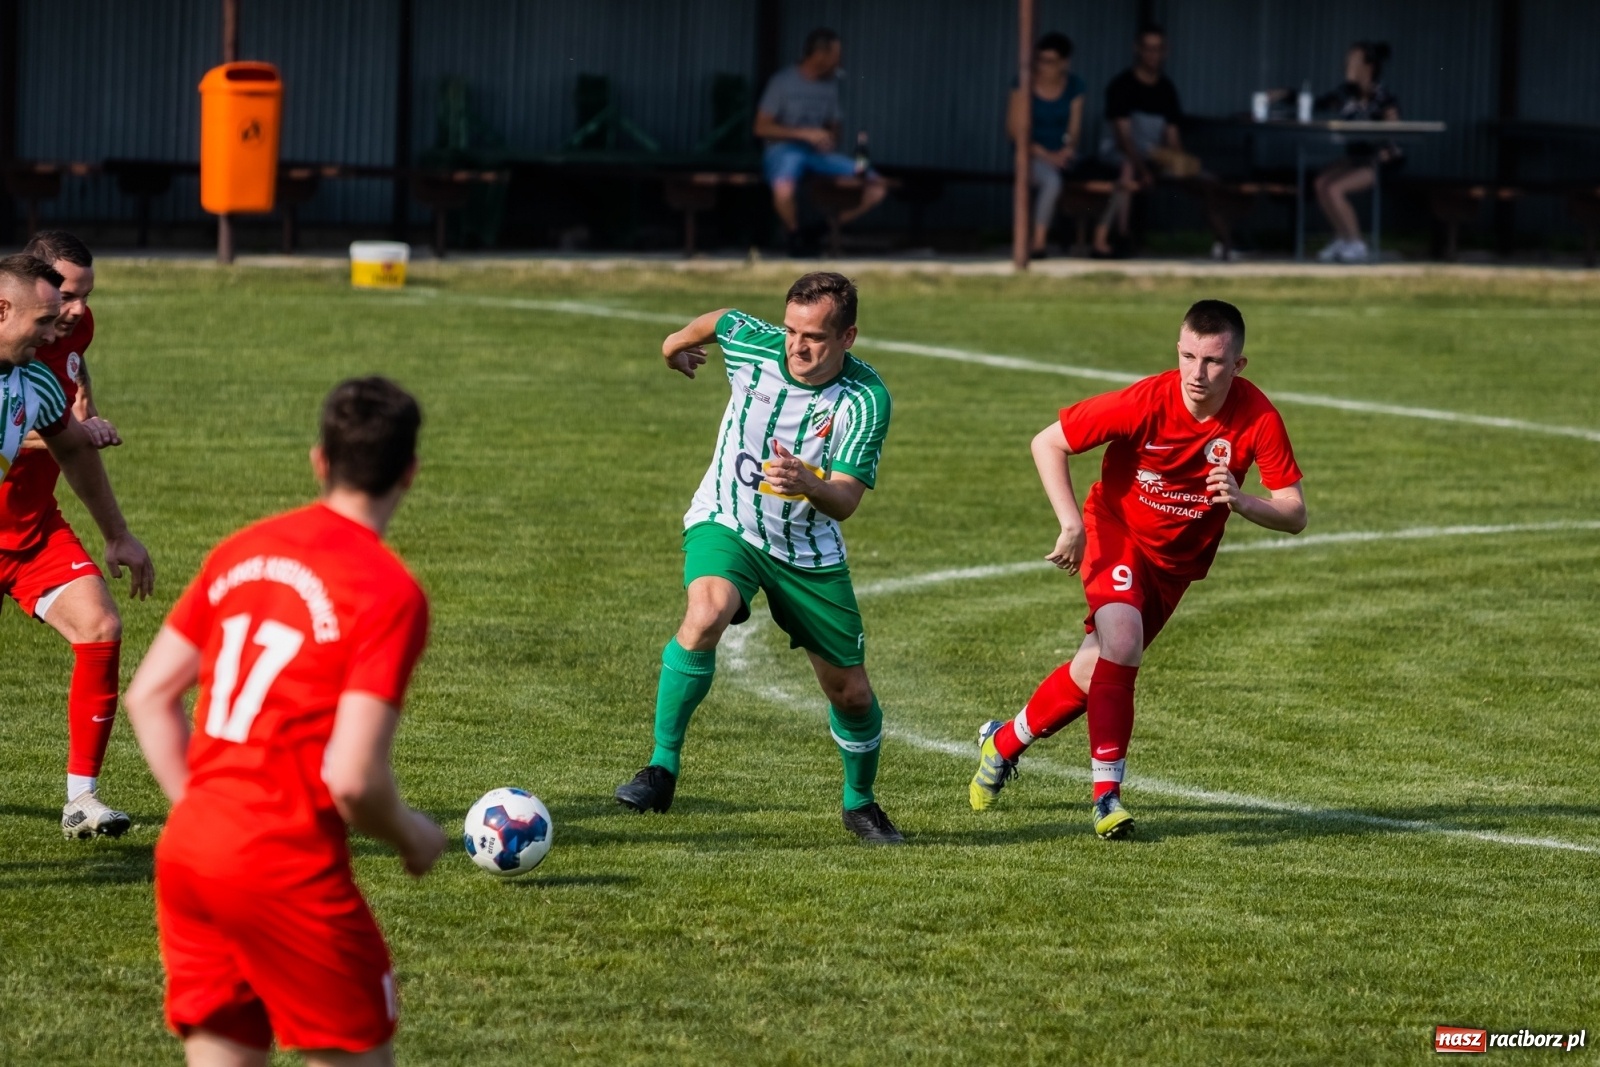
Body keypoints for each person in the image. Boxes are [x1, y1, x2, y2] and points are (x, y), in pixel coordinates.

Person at [124, 378, 446, 1066]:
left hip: (191, 850)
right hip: (285, 862)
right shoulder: (388, 591)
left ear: (319, 461)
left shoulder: (243, 548)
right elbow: (353, 777)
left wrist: (208, 811)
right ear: (410, 473)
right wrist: (414, 833)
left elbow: (149, 695)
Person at [967, 301, 1306, 839]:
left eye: (1214, 361)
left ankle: (1004, 741)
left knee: (1091, 673)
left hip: (1176, 566)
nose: (1198, 373)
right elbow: (1047, 441)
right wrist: (1071, 525)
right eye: (1189, 356)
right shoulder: (1146, 401)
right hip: (1116, 531)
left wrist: (1243, 502)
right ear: (1178, 350)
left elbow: (1294, 512)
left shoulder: (1258, 416)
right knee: (1122, 641)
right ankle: (1107, 799)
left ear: (1238, 365)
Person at [613, 272, 903, 845]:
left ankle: (859, 803)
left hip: (808, 550)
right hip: (728, 520)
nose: (797, 345)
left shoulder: (866, 399)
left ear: (848, 337)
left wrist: (806, 482)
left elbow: (844, 499)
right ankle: (660, 770)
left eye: (815, 336)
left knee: (851, 692)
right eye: (792, 330)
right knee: (705, 613)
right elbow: (717, 320)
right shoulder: (754, 342)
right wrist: (672, 346)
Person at [0, 252, 154, 836]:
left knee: (100, 624)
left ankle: (81, 801)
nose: (60, 329)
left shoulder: (37, 376)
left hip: (32, 533)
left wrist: (119, 535)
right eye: (44, 320)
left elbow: (73, 448)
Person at [754, 28, 887, 257]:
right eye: (837, 54)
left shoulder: (829, 86)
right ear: (820, 54)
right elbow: (761, 127)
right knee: (783, 188)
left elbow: (834, 126)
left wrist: (829, 137)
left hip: (818, 154)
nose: (840, 60)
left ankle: (821, 230)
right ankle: (795, 236)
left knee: (876, 185)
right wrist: (804, 133)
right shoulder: (782, 82)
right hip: (784, 150)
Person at [1092, 24, 1201, 258]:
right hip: (1119, 153)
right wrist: (1144, 171)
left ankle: (1221, 241)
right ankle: (1120, 236)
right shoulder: (1122, 85)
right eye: (1148, 48)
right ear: (1137, 49)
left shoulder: (1167, 89)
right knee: (1128, 169)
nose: (1153, 54)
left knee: (1202, 175)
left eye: (1158, 49)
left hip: (1151, 155)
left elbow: (1173, 140)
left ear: (1166, 52)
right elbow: (1123, 139)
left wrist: (1179, 163)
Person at [1311, 42, 1401, 264]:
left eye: (1353, 60)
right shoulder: (1345, 94)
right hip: (1357, 159)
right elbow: (1317, 104)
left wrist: (1380, 152)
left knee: (1334, 188)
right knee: (1320, 183)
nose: (1346, 65)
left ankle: (1357, 244)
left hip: (1381, 160)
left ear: (1368, 67)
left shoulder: (1382, 96)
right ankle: (1343, 239)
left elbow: (1395, 131)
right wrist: (1282, 96)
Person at [1006, 32, 1087, 258]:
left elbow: (1074, 129)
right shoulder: (1022, 84)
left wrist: (1067, 148)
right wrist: (1044, 154)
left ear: (1064, 63)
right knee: (1051, 181)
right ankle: (1038, 243)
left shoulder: (1075, 86)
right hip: (1031, 155)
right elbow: (1014, 130)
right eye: (1039, 60)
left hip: (1062, 156)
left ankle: (1102, 240)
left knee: (1110, 180)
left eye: (1050, 61)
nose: (1043, 67)